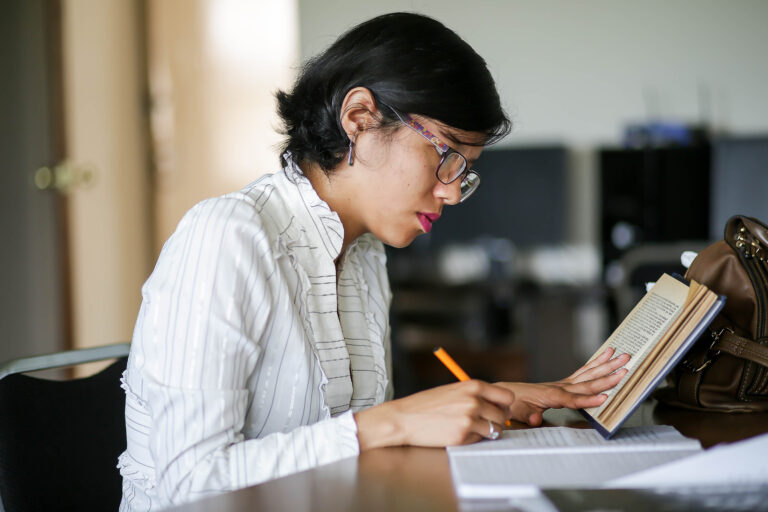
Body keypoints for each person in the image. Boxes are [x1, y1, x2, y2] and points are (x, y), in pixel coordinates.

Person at [117, 12, 629, 511]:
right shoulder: (228, 235)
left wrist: (482, 404)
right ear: (359, 119)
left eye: (465, 172)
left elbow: (356, 451)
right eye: (446, 156)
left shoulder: (365, 255)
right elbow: (190, 484)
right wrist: (395, 420)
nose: (453, 193)